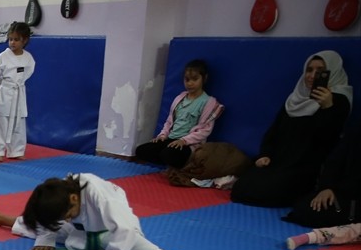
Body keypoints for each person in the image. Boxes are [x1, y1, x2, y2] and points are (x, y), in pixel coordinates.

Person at [2, 173, 246, 250]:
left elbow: (126, 230)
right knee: (42, 227)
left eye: (68, 213)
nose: (65, 217)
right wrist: (46, 237)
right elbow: (46, 215)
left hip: (112, 230)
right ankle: (1, 218)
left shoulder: (103, 199)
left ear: (75, 199)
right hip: (81, 228)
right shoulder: (57, 192)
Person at [232, 51, 352, 207]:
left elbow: (328, 139)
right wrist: (265, 154)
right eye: (309, 70)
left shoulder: (339, 101)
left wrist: (327, 108)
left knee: (272, 191)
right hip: (279, 162)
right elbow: (274, 131)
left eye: (320, 71)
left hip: (305, 167)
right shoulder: (295, 99)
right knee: (241, 187)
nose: (312, 75)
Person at [134, 60, 221, 169]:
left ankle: (182, 161)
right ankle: (167, 159)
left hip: (188, 144)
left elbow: (205, 130)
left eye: (195, 79)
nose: (190, 83)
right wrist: (162, 136)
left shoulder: (209, 102)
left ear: (204, 78)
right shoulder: (180, 98)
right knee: (141, 150)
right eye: (187, 79)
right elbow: (169, 121)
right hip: (171, 140)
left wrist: (184, 140)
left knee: (169, 155)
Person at [283, 124, 360, 229]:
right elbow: (334, 162)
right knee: (307, 206)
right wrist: (327, 188)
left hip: (353, 198)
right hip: (340, 192)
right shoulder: (355, 133)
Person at [0, 22, 34, 162]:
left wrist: (18, 84)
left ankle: (16, 150)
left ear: (24, 40)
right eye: (10, 39)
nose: (12, 42)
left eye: (16, 39)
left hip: (18, 91)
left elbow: (28, 72)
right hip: (5, 90)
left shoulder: (28, 58)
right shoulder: (3, 56)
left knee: (18, 122)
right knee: (0, 121)